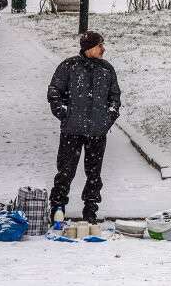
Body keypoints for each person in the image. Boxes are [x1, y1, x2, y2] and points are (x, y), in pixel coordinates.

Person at [48, 31, 121, 224]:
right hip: (72, 129)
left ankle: (90, 210)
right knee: (65, 170)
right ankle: (57, 207)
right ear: (89, 48)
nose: (103, 49)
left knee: (94, 174)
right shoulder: (69, 66)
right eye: (100, 45)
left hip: (97, 131)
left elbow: (115, 97)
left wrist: (109, 118)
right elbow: (54, 90)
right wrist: (62, 112)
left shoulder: (107, 69)